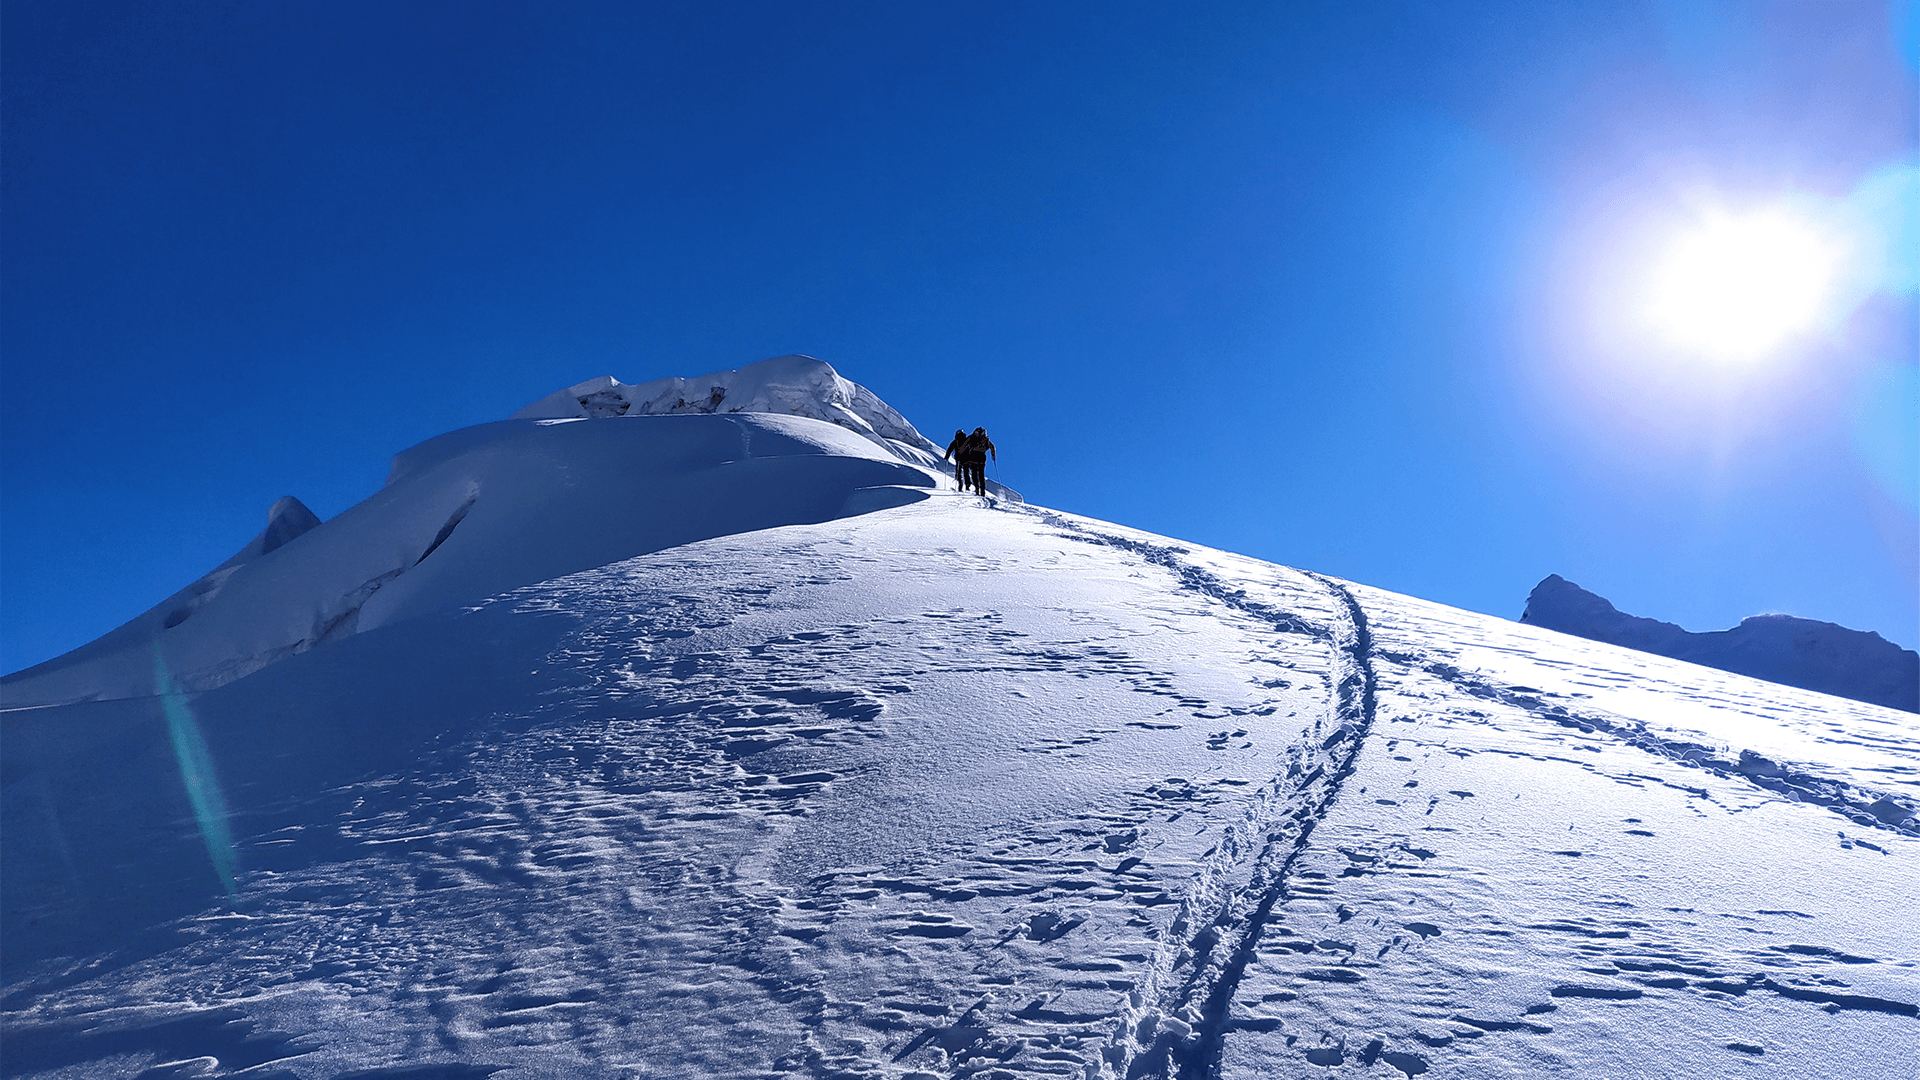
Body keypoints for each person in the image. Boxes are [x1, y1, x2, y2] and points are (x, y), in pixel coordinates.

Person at [960, 427, 995, 496]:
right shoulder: (986, 439)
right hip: (982, 458)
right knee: (981, 475)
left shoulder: (972, 437)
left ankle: (977, 488)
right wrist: (993, 456)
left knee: (974, 474)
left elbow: (964, 445)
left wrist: (961, 453)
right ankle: (982, 491)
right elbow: (992, 447)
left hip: (972, 457)